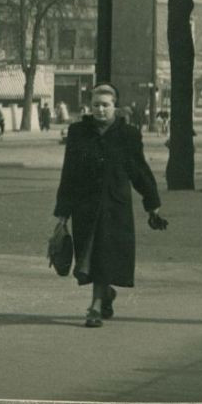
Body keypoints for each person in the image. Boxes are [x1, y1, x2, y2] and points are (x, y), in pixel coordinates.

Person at [54, 83, 169, 328]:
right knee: (89, 258)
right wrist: (62, 214)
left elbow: (139, 171)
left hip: (114, 207)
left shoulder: (127, 135)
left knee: (104, 255)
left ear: (115, 106)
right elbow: (69, 174)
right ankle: (105, 294)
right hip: (84, 207)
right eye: (96, 105)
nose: (100, 110)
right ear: (90, 106)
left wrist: (152, 204)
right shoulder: (78, 132)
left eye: (105, 105)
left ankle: (94, 307)